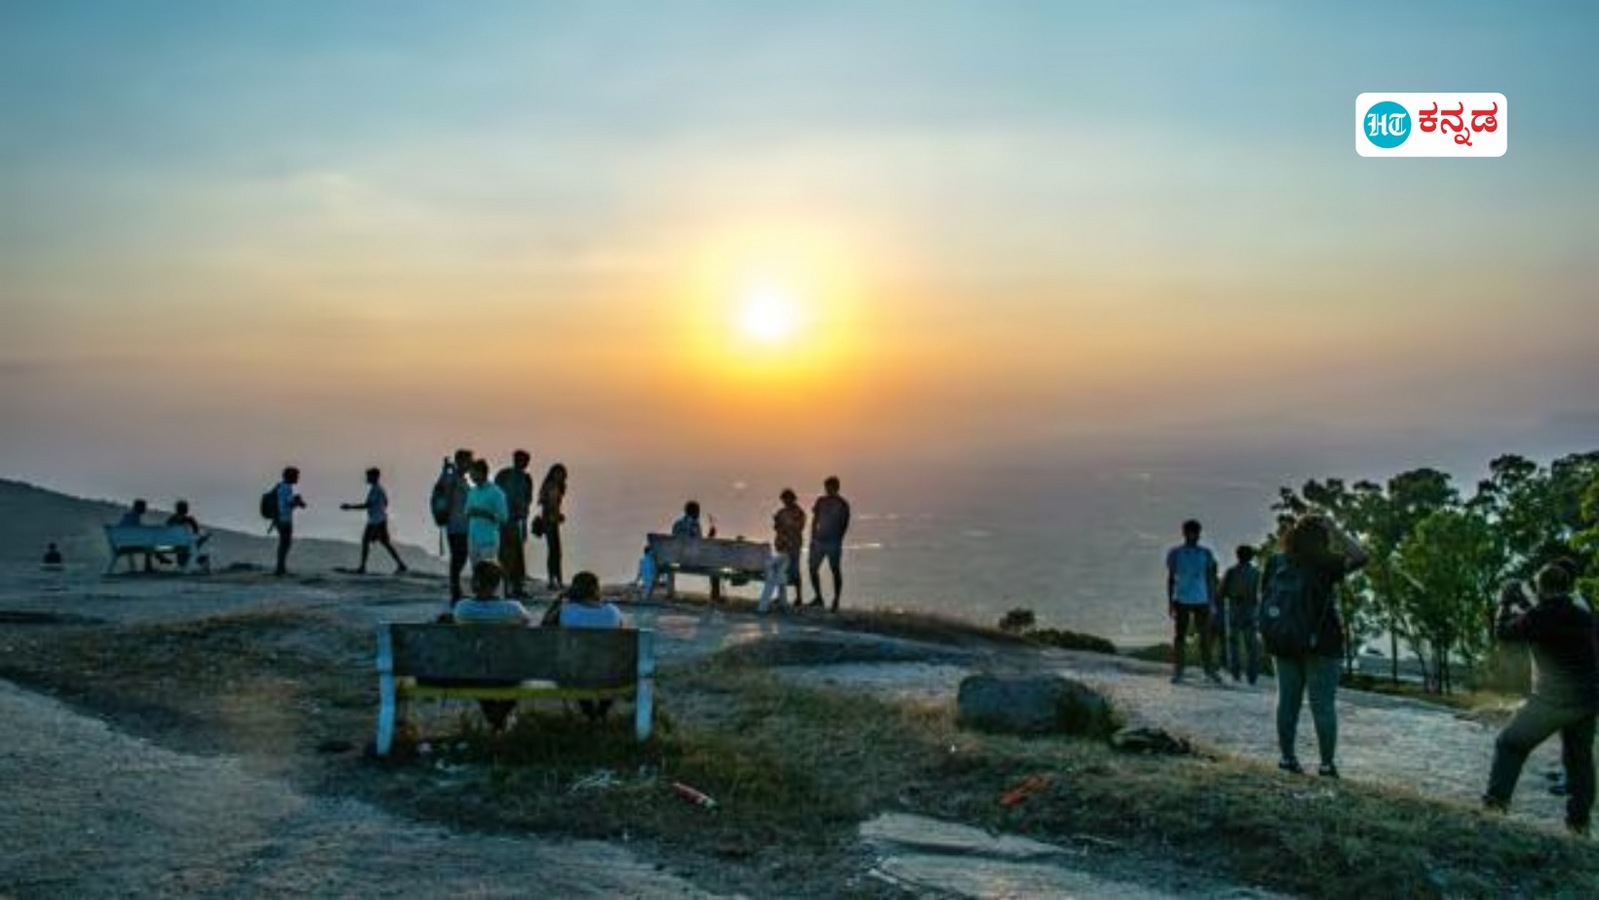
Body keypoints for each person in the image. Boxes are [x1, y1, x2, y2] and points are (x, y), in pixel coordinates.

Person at [1482, 564, 1597, 836]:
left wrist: (1505, 600)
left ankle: (1495, 807)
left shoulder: (1543, 615)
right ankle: (1579, 825)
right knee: (1579, 762)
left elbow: (1505, 633)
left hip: (1553, 699)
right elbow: (1545, 617)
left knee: (1510, 744)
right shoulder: (1584, 614)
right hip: (1588, 699)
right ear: (1568, 587)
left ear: (1541, 587)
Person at [1264, 513, 1367, 778]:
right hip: (1323, 642)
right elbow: (1360, 557)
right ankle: (1326, 765)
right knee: (1322, 706)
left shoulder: (1275, 562)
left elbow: (1264, 599)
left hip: (1284, 639)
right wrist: (1336, 529)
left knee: (1287, 703)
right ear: (1322, 538)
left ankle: (1287, 759)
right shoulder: (1326, 564)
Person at [451, 560, 533, 730]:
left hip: (474, 672)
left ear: (474, 583)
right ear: (498, 585)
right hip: (508, 673)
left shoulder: (462, 608)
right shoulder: (514, 608)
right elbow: (527, 623)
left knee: (478, 667)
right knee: (518, 668)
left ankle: (495, 719)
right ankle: (499, 718)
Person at [556, 570, 625, 721]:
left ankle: (589, 713)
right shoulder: (613, 611)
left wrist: (559, 599)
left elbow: (545, 630)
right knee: (605, 662)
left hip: (577, 673)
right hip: (608, 673)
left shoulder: (566, 611)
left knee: (577, 663)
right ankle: (601, 713)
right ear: (596, 589)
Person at [1166, 519, 1221, 684]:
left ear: (1199, 534)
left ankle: (1208, 670)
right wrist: (1170, 601)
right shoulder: (1175, 553)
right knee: (1180, 636)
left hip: (1202, 599)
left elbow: (1211, 578)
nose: (1193, 536)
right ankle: (1178, 671)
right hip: (1181, 598)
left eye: (1195, 533)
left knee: (1205, 636)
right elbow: (1171, 578)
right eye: (1190, 532)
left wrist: (1212, 601)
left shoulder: (1206, 553)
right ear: (1184, 533)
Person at [340, 468, 407, 575]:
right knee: (384, 543)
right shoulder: (379, 489)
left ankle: (362, 567)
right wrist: (380, 510)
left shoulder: (376, 490)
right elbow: (386, 502)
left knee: (367, 541)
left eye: (369, 476)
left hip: (376, 521)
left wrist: (350, 507)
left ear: (374, 477)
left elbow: (367, 505)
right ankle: (401, 565)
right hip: (379, 520)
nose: (367, 478)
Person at [1217, 544, 1263, 684]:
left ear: (1237, 555)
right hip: (1251, 611)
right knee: (1251, 645)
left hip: (1234, 611)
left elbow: (1221, 592)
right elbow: (1260, 593)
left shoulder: (1231, 571)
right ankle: (1252, 676)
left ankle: (1236, 674)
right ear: (1251, 557)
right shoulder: (1256, 573)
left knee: (1233, 644)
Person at [494, 450, 535, 598]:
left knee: (517, 556)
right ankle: (506, 588)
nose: (523, 463)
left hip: (516, 521)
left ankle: (516, 587)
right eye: (521, 460)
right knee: (506, 556)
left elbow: (527, 503)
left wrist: (524, 525)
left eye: (525, 461)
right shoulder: (504, 475)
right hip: (503, 521)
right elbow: (495, 496)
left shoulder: (526, 479)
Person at [808, 476, 851, 611]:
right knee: (812, 568)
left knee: (835, 570)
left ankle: (836, 600)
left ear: (837, 487)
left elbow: (845, 523)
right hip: (819, 540)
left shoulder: (842, 503)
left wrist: (839, 538)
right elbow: (815, 520)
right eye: (826, 487)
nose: (828, 489)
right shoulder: (821, 501)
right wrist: (813, 538)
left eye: (830, 487)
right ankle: (819, 598)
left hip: (833, 542)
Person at [759, 488, 806, 613]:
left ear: (792, 498)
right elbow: (777, 527)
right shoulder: (781, 512)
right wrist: (777, 523)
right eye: (783, 500)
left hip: (793, 546)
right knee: (780, 572)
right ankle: (781, 597)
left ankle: (799, 597)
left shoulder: (799, 512)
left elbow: (799, 527)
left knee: (795, 571)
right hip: (782, 545)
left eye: (786, 499)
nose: (785, 502)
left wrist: (786, 524)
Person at [444, 449, 474, 605]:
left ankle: (456, 591)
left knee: (460, 558)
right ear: (460, 461)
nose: (471, 464)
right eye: (468, 461)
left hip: (463, 525)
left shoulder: (462, 479)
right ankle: (455, 592)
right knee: (458, 558)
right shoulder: (453, 478)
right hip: (456, 525)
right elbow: (447, 497)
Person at [465, 458, 509, 565]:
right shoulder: (472, 492)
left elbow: (504, 517)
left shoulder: (496, 492)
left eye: (472, 473)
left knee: (487, 574)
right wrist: (470, 512)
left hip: (489, 541)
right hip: (473, 539)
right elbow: (466, 512)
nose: (470, 476)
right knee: (476, 573)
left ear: (481, 472)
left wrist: (485, 513)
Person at [536, 462, 568, 590]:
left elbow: (553, 504)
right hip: (549, 521)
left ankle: (556, 580)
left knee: (555, 552)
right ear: (553, 473)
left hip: (552, 521)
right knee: (554, 551)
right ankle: (554, 580)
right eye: (557, 473)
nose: (559, 475)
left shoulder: (558, 486)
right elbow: (547, 504)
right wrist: (555, 515)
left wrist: (558, 515)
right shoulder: (550, 485)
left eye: (561, 473)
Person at [271, 467, 307, 577]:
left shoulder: (281, 486)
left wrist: (296, 501)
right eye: (296, 476)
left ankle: (280, 568)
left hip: (279, 519)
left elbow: (286, 503)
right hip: (284, 520)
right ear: (290, 476)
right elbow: (286, 505)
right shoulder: (287, 488)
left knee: (284, 543)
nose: (298, 478)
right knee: (285, 544)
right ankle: (280, 569)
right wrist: (298, 503)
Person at [166, 499, 212, 571]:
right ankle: (203, 560)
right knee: (186, 558)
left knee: (183, 560)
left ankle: (202, 561)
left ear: (177, 509)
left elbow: (166, 531)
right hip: (187, 543)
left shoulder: (172, 519)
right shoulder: (189, 519)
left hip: (179, 544)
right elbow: (196, 532)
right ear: (186, 509)